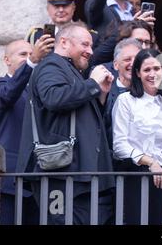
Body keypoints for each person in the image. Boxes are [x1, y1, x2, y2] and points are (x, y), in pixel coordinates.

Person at [16, 21, 115, 225]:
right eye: (85, 44)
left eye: (91, 46)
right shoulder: (52, 64)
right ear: (63, 42)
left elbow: (79, 116)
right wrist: (92, 84)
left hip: (77, 176)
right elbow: (53, 98)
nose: (90, 51)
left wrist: (101, 96)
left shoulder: (70, 71)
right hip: (60, 177)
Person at [0, 37, 53, 224]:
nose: (28, 57)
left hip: (37, 178)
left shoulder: (38, 89)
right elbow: (9, 94)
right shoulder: (0, 85)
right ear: (7, 60)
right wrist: (32, 62)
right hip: (10, 179)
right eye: (23, 54)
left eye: (30, 54)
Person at [112, 49, 162, 224]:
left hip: (161, 178)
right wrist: (151, 162)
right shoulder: (125, 100)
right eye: (147, 70)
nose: (152, 74)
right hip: (133, 174)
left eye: (156, 68)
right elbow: (119, 146)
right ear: (138, 74)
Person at [104, 38, 143, 151]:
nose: (133, 63)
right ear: (116, 65)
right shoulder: (104, 91)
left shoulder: (149, 92)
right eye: (127, 59)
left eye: (137, 59)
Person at [25, 0, 94, 45]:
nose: (61, 10)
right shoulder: (35, 35)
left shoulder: (86, 34)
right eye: (56, 6)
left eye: (65, 5)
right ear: (48, 9)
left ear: (73, 8)